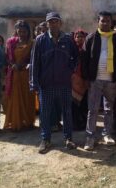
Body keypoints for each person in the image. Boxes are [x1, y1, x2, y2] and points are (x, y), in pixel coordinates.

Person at [30, 12, 79, 153]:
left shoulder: (68, 40)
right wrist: (34, 83)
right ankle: (46, 140)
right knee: (45, 113)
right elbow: (34, 63)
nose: (53, 24)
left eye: (56, 21)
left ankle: (68, 139)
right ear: (47, 24)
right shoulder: (40, 40)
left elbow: (76, 58)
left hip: (64, 83)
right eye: (50, 22)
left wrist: (70, 70)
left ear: (60, 23)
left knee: (67, 112)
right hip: (46, 85)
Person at [82, 11, 116, 151]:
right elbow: (84, 59)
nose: (105, 23)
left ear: (111, 22)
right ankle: (90, 138)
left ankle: (107, 135)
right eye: (103, 20)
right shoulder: (91, 38)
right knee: (93, 110)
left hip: (111, 81)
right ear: (98, 22)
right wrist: (86, 78)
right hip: (95, 80)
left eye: (108, 21)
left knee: (109, 110)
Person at [3, 20, 36, 131]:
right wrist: (13, 65)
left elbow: (34, 58)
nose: (22, 33)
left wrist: (26, 65)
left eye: (24, 31)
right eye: (19, 30)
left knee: (28, 97)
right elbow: (7, 57)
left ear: (28, 31)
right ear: (16, 31)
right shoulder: (11, 43)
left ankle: (28, 122)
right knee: (15, 97)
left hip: (27, 74)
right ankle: (17, 122)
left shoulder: (32, 43)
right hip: (15, 74)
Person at [71, 29, 88, 131]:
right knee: (73, 103)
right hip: (73, 80)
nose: (79, 38)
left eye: (81, 37)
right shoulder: (72, 50)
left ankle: (83, 124)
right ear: (75, 38)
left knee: (84, 103)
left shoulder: (87, 50)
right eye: (77, 36)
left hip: (84, 80)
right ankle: (75, 123)